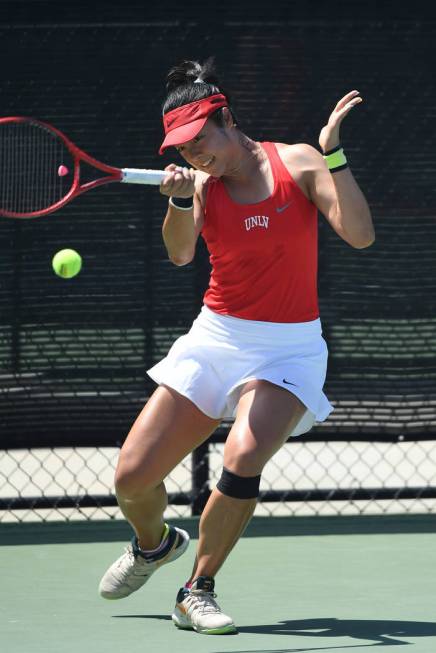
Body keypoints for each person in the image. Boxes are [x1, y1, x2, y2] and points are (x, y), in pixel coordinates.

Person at [98, 58, 374, 635]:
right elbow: (179, 254)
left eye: (202, 141)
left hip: (288, 349)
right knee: (131, 479)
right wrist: (178, 201)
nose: (196, 156)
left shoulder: (298, 162)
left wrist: (333, 153)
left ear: (226, 119)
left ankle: (196, 587)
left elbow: (360, 233)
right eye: (184, 148)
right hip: (216, 338)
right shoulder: (200, 185)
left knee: (244, 455)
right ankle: (154, 545)